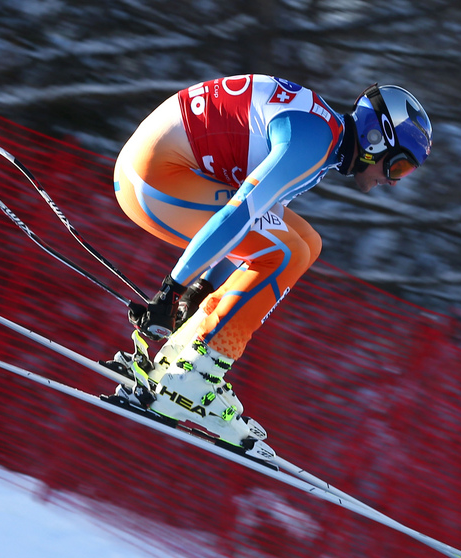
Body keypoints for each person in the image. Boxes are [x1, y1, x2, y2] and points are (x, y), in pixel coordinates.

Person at [112, 74, 432, 459]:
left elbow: (248, 221)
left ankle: (185, 358)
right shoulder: (311, 144)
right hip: (153, 180)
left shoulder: (322, 139)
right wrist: (174, 286)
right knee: (283, 255)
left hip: (164, 170)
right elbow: (239, 214)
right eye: (398, 168)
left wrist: (204, 288)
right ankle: (192, 375)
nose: (393, 182)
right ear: (376, 141)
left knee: (306, 244)